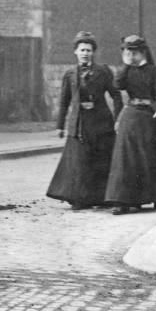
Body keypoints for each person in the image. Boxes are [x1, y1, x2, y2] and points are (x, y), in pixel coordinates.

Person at [47, 31, 123, 210]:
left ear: (93, 52)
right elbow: (64, 101)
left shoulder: (103, 71)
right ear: (75, 51)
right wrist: (60, 126)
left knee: (100, 161)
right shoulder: (70, 74)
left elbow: (116, 95)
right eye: (82, 50)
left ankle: (102, 198)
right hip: (78, 124)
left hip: (100, 123)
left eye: (88, 50)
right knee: (79, 163)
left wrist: (117, 119)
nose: (85, 53)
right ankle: (79, 199)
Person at [105, 35, 156, 215]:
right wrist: (125, 65)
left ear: (143, 52)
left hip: (149, 116)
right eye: (128, 52)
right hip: (131, 115)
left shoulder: (153, 71)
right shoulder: (126, 70)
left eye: (134, 52)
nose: (131, 55)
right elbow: (117, 85)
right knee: (125, 159)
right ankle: (121, 200)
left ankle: (151, 197)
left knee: (149, 158)